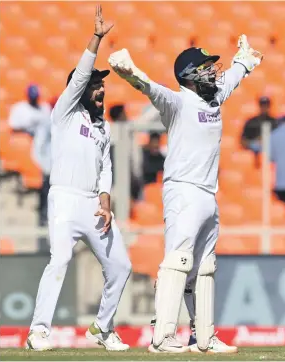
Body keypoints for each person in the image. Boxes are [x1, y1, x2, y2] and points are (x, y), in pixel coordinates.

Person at [108, 34, 262, 353]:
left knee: (205, 267)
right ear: (190, 74)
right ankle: (162, 337)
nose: (213, 73)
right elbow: (149, 88)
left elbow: (233, 75)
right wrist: (129, 71)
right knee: (178, 261)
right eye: (206, 68)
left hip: (208, 194)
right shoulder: (177, 102)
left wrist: (244, 60)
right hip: (182, 191)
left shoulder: (216, 96)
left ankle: (203, 338)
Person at [26, 6, 131, 352]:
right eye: (95, 86)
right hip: (65, 199)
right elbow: (83, 72)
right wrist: (97, 38)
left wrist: (105, 197)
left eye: (102, 86)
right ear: (79, 89)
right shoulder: (65, 114)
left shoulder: (103, 126)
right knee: (60, 259)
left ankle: (102, 328)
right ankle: (38, 332)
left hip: (92, 204)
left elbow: (107, 167)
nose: (100, 91)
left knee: (121, 265)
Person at [240, 96, 276, 167]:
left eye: (266, 105)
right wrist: (256, 141)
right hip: (254, 150)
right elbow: (243, 141)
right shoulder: (251, 122)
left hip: (270, 148)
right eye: (262, 105)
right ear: (259, 106)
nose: (264, 108)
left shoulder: (274, 122)